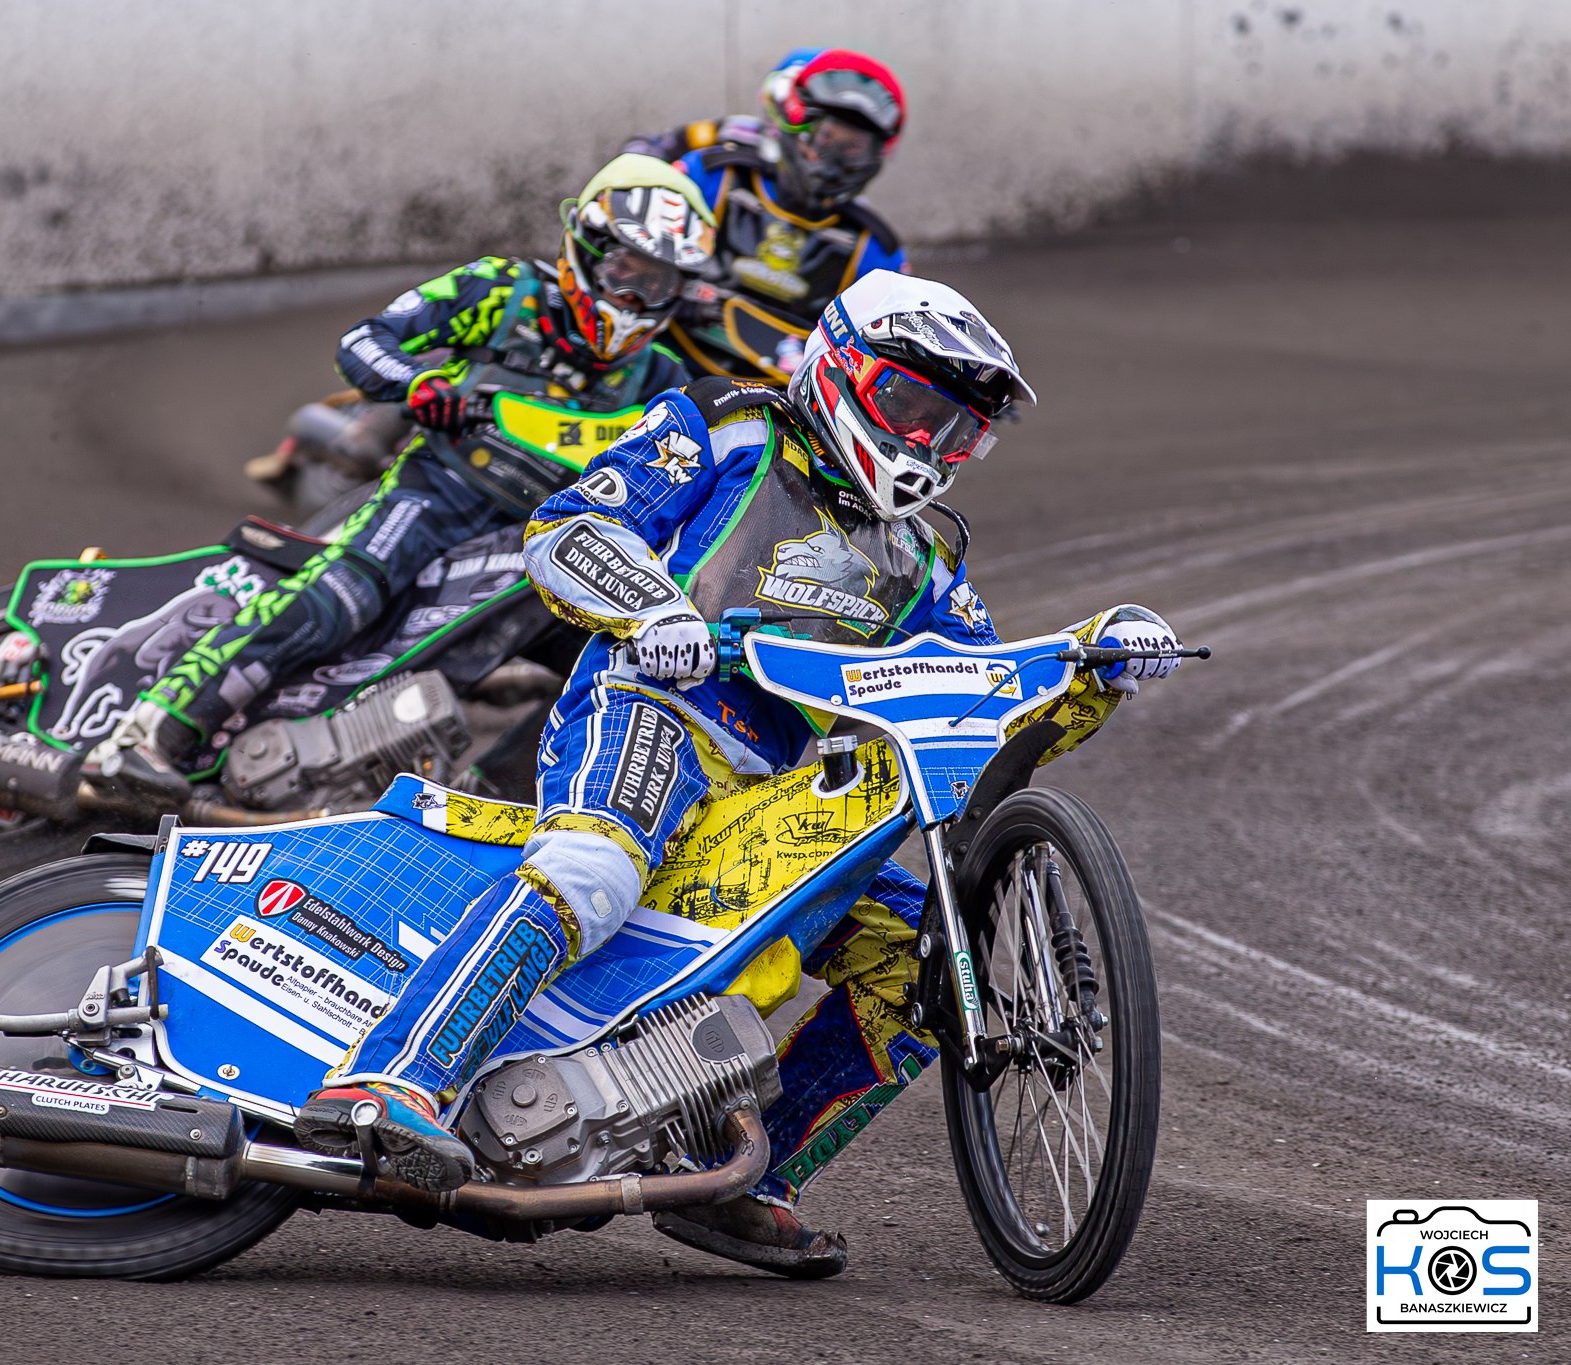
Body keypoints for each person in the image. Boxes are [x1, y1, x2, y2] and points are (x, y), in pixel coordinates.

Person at [291, 270, 1186, 1276]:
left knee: (930, 952)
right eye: (911, 406)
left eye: (955, 429)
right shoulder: (726, 427)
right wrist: (651, 608)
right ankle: (391, 1079)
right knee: (592, 870)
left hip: (766, 791)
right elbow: (569, 528)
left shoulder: (925, 561)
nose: (927, 442)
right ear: (843, 368)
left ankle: (745, 1179)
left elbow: (976, 709)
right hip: (649, 708)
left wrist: (1092, 662)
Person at [82, 156, 716, 813]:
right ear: (586, 248)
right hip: (440, 493)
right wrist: (419, 384)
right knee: (341, 597)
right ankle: (150, 733)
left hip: (546, 546)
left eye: (659, 282)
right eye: (625, 271)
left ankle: (499, 806)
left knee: (616, 670)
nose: (635, 298)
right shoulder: (503, 290)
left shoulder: (661, 380)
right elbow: (365, 340)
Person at [623, 48, 912, 382]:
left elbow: (885, 363)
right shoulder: (715, 173)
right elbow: (629, 250)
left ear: (875, 156)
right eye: (828, 136)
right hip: (663, 365)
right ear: (797, 123)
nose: (832, 160)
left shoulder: (875, 249)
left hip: (783, 402)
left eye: (852, 148)